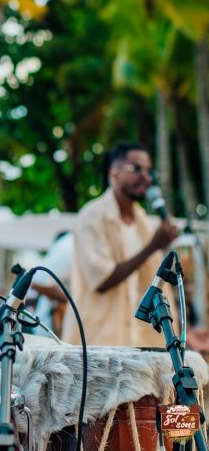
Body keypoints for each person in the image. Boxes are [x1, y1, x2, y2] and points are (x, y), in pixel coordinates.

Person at [61, 142, 180, 346]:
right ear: (114, 173)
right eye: (136, 168)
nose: (146, 177)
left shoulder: (143, 220)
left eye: (148, 170)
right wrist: (153, 246)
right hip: (99, 342)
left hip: (141, 342)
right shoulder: (93, 216)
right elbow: (102, 279)